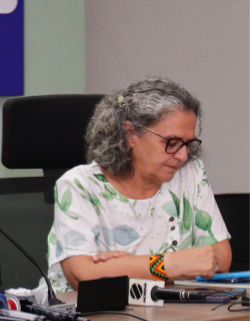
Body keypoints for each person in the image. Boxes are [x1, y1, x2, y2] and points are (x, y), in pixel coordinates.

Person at [47, 78, 231, 292]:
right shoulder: (79, 186)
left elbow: (221, 258)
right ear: (130, 134)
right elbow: (83, 276)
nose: (182, 155)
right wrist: (171, 265)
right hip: (90, 320)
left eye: (188, 144)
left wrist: (128, 268)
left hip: (170, 315)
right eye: (171, 143)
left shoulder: (190, 173)